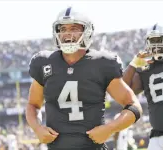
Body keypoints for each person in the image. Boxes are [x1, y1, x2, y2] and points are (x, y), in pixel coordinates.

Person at [25, 7, 142, 150]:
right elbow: (32, 105)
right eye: (62, 29)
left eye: (74, 28)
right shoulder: (44, 62)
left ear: (86, 31)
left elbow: (134, 106)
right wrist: (37, 128)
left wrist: (110, 128)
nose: (67, 34)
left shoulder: (101, 63)